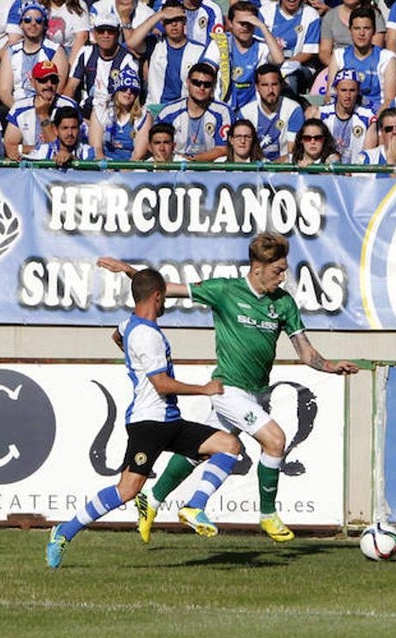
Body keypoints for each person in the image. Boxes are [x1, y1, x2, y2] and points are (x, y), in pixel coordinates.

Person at [98, 233, 360, 543]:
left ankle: (151, 501)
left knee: (200, 451)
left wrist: (330, 367)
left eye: (284, 269)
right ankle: (262, 515)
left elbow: (305, 351)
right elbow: (164, 289)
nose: (282, 276)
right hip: (227, 389)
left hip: (257, 393)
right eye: (277, 269)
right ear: (256, 267)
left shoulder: (284, 304)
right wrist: (129, 270)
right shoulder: (224, 291)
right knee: (275, 440)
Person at [45, 267, 243, 567]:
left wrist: (133, 359)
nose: (166, 304)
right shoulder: (147, 336)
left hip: (169, 420)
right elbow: (161, 384)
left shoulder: (129, 325)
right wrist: (204, 389)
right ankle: (63, 532)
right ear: (157, 296)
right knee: (126, 491)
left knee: (229, 445)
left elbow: (117, 335)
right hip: (148, 423)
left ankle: (194, 507)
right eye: (164, 298)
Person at [66, 1, 141, 121]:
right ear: (94, 33)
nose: (106, 35)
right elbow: (71, 87)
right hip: (85, 115)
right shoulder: (86, 53)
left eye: (110, 31)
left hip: (115, 116)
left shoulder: (128, 59)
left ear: (118, 33)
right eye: (101, 31)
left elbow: (129, 98)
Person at [135, 1, 220, 107]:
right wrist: (159, 15)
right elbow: (132, 43)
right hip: (155, 108)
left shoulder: (199, 50)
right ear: (163, 23)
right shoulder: (155, 44)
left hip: (182, 111)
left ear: (185, 22)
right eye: (169, 20)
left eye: (178, 20)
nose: (174, 24)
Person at [155, 62, 234, 161]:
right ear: (188, 82)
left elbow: (223, 149)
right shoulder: (168, 112)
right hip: (175, 162)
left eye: (207, 84)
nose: (202, 88)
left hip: (211, 166)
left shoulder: (223, 111)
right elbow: (156, 145)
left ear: (213, 86)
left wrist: (193, 160)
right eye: (197, 83)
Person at [327, 7, 396, 114]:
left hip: (375, 115)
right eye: (357, 28)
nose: (361, 33)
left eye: (366, 28)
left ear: (374, 31)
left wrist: (373, 121)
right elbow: (330, 95)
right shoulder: (339, 55)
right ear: (350, 30)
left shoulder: (387, 58)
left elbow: (389, 100)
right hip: (345, 115)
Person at [4, 59, 81, 159]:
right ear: (32, 82)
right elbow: (10, 146)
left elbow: (67, 145)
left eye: (53, 80)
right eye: (43, 80)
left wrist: (43, 115)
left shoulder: (69, 105)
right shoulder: (19, 108)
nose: (49, 85)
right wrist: (40, 151)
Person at [0, 2, 69, 110]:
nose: (33, 24)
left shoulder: (55, 51)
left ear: (45, 25)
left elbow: (56, 90)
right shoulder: (11, 51)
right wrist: (20, 113)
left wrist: (38, 112)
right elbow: (4, 92)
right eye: (27, 20)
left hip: (46, 107)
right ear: (21, 24)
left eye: (38, 21)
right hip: (17, 107)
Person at [220, 1, 285, 111]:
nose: (245, 27)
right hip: (225, 106)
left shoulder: (261, 46)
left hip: (252, 109)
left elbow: (279, 60)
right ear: (230, 23)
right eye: (241, 23)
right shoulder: (220, 43)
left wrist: (262, 27)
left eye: (250, 23)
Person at [240, 63, 305, 161]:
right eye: (265, 85)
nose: (270, 90)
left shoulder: (293, 109)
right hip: (254, 168)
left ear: (281, 85)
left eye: (274, 84)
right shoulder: (245, 113)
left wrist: (272, 167)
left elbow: (292, 152)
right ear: (257, 87)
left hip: (284, 168)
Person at [260, 0, 322, 99]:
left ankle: (287, 109)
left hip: (300, 65)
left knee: (290, 78)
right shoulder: (265, 12)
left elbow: (309, 52)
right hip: (269, 63)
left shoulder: (311, 14)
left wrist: (286, 65)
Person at [88, 68, 151, 160]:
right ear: (116, 89)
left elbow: (138, 155)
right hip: (104, 166)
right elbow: (96, 149)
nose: (128, 92)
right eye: (124, 88)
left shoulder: (143, 116)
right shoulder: (101, 110)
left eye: (133, 90)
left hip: (131, 167)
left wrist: (124, 173)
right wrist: (107, 172)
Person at [315, 68, 375, 164]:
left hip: (356, 174)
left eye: (352, 90)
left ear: (358, 91)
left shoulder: (367, 118)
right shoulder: (322, 114)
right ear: (335, 90)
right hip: (326, 173)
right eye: (343, 90)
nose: (347, 95)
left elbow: (369, 154)